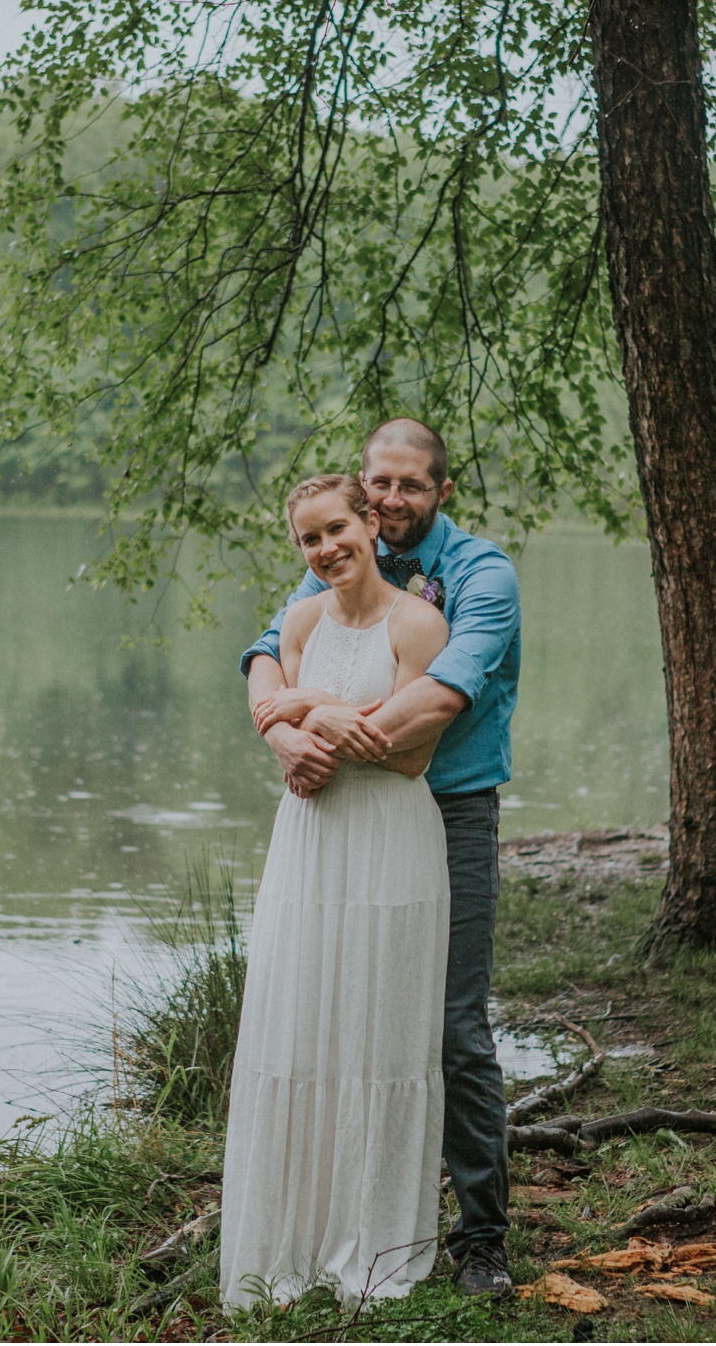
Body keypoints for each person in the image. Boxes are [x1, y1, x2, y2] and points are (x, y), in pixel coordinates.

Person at [241, 419, 522, 1298]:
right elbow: (267, 650)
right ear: (362, 491)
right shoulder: (343, 550)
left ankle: (482, 1239)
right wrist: (279, 732)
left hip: (448, 808)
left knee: (451, 1027)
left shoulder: (482, 575)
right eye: (380, 484)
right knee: (333, 1015)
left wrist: (315, 723)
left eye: (410, 485)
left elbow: (440, 697)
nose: (390, 500)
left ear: (441, 490)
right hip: (339, 818)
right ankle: (330, 1216)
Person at [219, 473, 457, 1307]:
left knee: (380, 1034)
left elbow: (411, 754)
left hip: (391, 837)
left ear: (370, 524)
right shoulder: (303, 617)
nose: (325, 550)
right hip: (310, 840)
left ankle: (374, 1247)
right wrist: (302, 723)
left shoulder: (420, 622)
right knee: (301, 1028)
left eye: (336, 529)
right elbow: (272, 716)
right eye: (308, 539)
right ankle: (294, 1239)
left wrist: (310, 713)